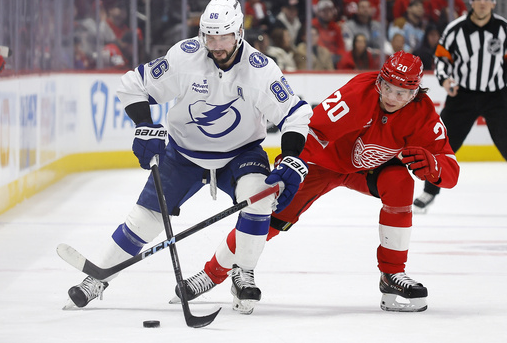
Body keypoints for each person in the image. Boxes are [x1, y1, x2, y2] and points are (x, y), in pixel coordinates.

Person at [65, 0, 312, 315]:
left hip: (240, 154)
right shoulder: (185, 57)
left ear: (239, 33)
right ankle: (97, 276)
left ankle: (243, 271)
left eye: (223, 36)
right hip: (183, 153)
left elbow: (295, 113)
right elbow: (132, 85)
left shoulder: (260, 70)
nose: (215, 44)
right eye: (209, 35)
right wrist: (143, 126)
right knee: (145, 220)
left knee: (259, 197)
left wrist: (291, 155)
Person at [176, 50, 460, 312]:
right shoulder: (359, 93)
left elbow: (451, 169)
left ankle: (392, 274)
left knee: (400, 182)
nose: (391, 97)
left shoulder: (423, 114)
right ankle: (211, 275)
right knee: (267, 220)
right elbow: (313, 131)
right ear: (379, 81)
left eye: (401, 93)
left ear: (415, 93)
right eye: (386, 87)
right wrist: (292, 164)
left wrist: (435, 166)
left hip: (368, 171)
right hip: (321, 164)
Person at [413, 0, 507, 213]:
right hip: (462, 95)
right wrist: (445, 80)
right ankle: (430, 191)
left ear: (493, 2)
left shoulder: (504, 28)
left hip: (497, 96)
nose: (483, 2)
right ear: (472, 1)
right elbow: (442, 58)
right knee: (442, 143)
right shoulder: (456, 29)